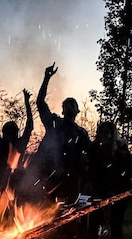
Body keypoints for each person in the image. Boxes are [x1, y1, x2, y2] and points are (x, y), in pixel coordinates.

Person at [32, 62, 90, 203]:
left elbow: (91, 154)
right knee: (46, 211)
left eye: (72, 105)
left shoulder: (81, 133)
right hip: (49, 175)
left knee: (69, 212)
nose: (69, 107)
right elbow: (40, 102)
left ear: (77, 111)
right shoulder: (54, 123)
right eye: (66, 105)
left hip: (70, 178)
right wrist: (46, 78)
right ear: (63, 110)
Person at [85, 121, 132, 239]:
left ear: (112, 134)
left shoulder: (121, 149)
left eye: (107, 132)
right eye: (101, 132)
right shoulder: (94, 148)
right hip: (100, 189)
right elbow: (91, 169)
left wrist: (117, 187)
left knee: (116, 223)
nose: (103, 135)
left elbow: (127, 169)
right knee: (94, 221)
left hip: (119, 190)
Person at [0, 87, 33, 192]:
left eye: (12, 132)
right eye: (8, 132)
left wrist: (27, 102)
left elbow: (29, 126)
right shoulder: (1, 143)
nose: (10, 134)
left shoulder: (19, 144)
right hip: (0, 181)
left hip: (17, 183)